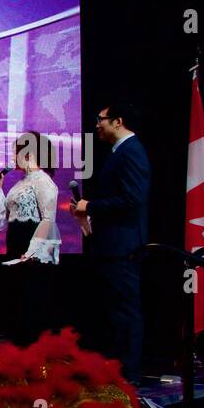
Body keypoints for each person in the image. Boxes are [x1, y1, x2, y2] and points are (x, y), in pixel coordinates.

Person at [69, 103, 152, 380]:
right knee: (116, 310)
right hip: (112, 244)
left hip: (124, 246)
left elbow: (132, 199)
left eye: (100, 120)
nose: (97, 125)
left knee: (126, 310)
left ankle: (130, 372)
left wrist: (90, 205)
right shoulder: (120, 152)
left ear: (118, 121)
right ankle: (121, 368)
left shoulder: (131, 152)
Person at [0, 132, 62, 345]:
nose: (13, 156)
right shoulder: (20, 184)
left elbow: (48, 219)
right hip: (16, 247)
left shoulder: (43, 180)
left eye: (17, 151)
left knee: (32, 301)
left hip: (32, 251)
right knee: (17, 302)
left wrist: (33, 250)